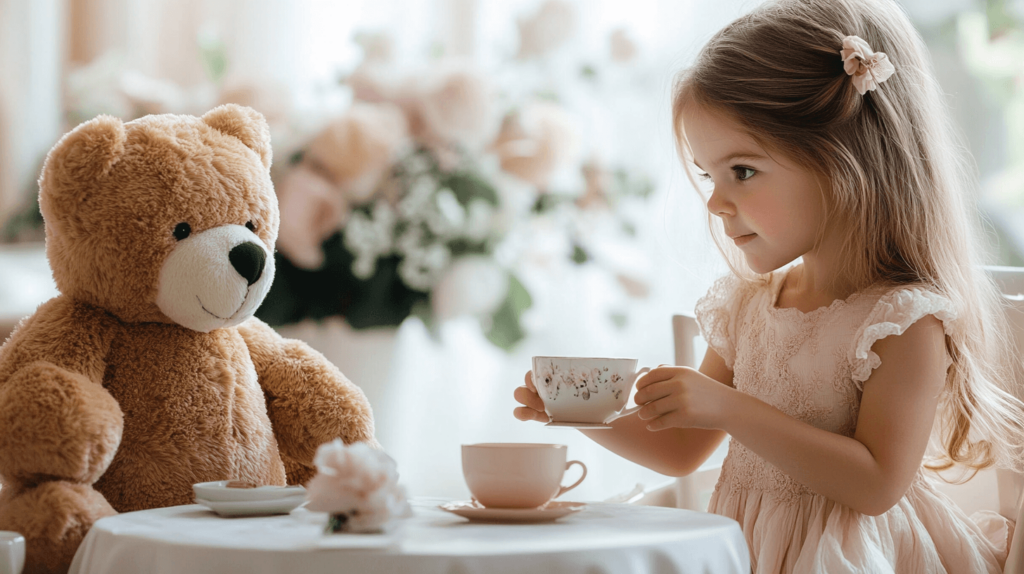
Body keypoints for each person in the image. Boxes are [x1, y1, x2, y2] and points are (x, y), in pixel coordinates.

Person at [513, 0, 1024, 571]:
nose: (714, 200)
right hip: (746, 549)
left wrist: (729, 409)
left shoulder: (902, 319)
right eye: (710, 174)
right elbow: (681, 449)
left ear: (843, 161)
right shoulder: (751, 306)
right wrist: (578, 412)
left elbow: (878, 483)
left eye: (744, 171)